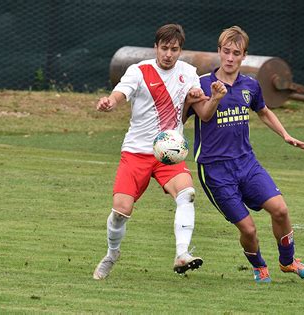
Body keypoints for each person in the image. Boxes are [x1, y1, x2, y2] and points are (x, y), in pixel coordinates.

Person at [185, 26, 304, 283]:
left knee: (280, 210)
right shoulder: (201, 84)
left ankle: (288, 261)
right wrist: (214, 97)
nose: (230, 58)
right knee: (248, 228)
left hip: (246, 162)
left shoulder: (250, 86)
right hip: (214, 169)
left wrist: (285, 135)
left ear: (244, 56)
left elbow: (264, 111)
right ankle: (259, 266)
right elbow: (202, 115)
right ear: (219, 52)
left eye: (236, 53)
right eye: (226, 52)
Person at [93, 23, 205, 280]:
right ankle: (112, 253)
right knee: (121, 211)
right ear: (155, 47)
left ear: (180, 50)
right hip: (135, 152)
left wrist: (197, 94)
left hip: (169, 152)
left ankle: (182, 254)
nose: (168, 54)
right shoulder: (139, 70)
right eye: (164, 48)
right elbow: (122, 92)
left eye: (174, 49)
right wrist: (111, 101)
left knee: (187, 194)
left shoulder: (189, 72)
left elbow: (195, 99)